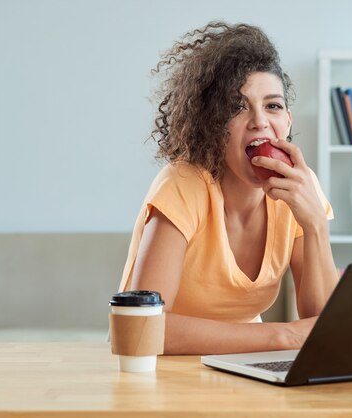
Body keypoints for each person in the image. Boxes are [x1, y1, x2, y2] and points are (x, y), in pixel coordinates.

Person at [118, 21, 338, 355]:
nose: (259, 120)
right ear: (212, 124)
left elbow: (322, 325)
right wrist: (283, 337)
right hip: (165, 371)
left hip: (246, 366)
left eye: (273, 106)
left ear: (288, 123)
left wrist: (315, 224)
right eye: (237, 107)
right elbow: (144, 326)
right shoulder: (183, 185)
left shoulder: (298, 189)